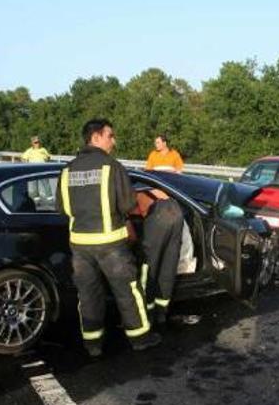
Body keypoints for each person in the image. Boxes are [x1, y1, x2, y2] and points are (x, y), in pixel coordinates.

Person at [56, 119, 160, 356]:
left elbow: (62, 209)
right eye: (110, 136)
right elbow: (128, 203)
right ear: (96, 137)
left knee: (88, 294)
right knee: (127, 291)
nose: (114, 140)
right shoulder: (112, 167)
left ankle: (93, 344)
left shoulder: (67, 170)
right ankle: (140, 338)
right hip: (111, 243)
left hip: (80, 245)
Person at [133, 188, 184, 326]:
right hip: (175, 211)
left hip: (158, 213)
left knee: (147, 266)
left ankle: (146, 314)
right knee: (168, 264)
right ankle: (161, 312)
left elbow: (129, 232)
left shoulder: (126, 193)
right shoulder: (146, 185)